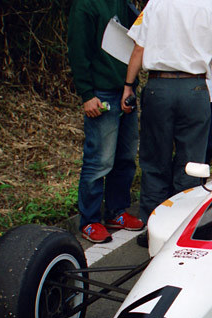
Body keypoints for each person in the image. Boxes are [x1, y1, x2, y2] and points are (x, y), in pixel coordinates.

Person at [122, 0, 212, 241]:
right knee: (191, 163)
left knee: (154, 161)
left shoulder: (155, 5)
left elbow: (138, 50)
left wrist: (128, 86)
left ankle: (152, 229)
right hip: (195, 89)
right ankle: (181, 231)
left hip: (158, 87)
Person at [67, 0, 144, 244]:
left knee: (125, 157)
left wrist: (131, 85)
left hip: (126, 89)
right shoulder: (86, 5)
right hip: (101, 92)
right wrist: (87, 94)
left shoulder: (122, 4)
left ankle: (116, 212)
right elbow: (78, 50)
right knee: (99, 161)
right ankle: (89, 220)